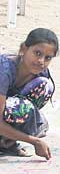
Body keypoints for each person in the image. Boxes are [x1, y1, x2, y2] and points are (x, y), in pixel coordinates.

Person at [0, 28, 57, 160]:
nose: (41, 61)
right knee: (21, 108)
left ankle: (6, 140)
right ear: (23, 49)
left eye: (47, 58)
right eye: (37, 53)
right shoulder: (4, 71)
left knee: (45, 86)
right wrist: (34, 141)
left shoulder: (41, 73)